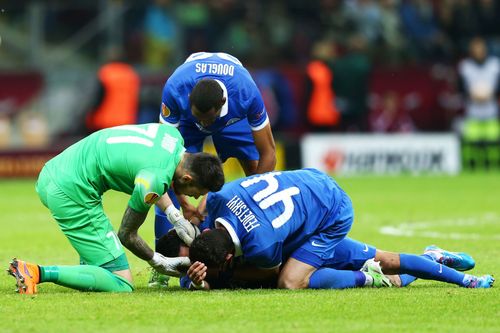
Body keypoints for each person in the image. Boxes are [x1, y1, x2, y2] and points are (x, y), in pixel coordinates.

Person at [187, 169, 494, 290]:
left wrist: (217, 279)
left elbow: (267, 276)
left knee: (291, 281)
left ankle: (467, 281)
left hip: (330, 212)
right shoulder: (218, 197)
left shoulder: (262, 246)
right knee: (386, 258)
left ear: (228, 257)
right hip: (308, 187)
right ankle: (433, 257)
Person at [7, 123, 224, 294]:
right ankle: (36, 272)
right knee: (121, 281)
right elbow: (127, 235)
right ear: (188, 178)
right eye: (196, 192)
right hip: (71, 190)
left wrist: (174, 215)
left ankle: (85, 272)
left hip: (56, 170)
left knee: (100, 269)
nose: (194, 197)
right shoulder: (154, 179)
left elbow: (154, 168)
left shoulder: (171, 137)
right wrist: (158, 261)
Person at [151, 51, 277, 286]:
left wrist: (246, 196)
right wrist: (184, 205)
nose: (203, 125)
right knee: (166, 186)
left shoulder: (246, 92)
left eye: (207, 120)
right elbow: (164, 158)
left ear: (221, 105)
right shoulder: (176, 88)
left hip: (233, 120)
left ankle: (249, 248)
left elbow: (268, 153)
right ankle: (162, 263)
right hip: (185, 123)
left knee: (255, 169)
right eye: (199, 118)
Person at [158, 231, 479, 290]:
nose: (195, 264)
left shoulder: (219, 231)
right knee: (386, 278)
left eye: (191, 257)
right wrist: (198, 283)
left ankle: (435, 261)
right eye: (186, 265)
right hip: (300, 265)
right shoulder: (196, 276)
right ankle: (432, 256)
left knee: (387, 260)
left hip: (313, 242)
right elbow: (191, 281)